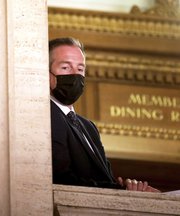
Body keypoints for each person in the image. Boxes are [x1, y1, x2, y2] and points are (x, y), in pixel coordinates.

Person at [49, 37, 160, 192]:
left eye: (80, 69)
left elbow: (103, 180)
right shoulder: (46, 115)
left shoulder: (89, 127)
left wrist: (129, 189)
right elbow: (61, 179)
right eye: (66, 68)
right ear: (46, 73)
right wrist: (121, 191)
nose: (75, 75)